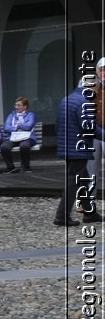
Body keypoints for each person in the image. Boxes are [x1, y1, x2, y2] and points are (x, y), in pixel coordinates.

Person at [55, 63, 100, 227]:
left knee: (82, 179)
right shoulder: (84, 102)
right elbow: (90, 128)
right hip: (78, 149)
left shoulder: (66, 100)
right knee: (73, 182)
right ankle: (61, 216)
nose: (96, 93)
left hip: (67, 147)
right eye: (96, 89)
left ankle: (90, 213)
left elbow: (58, 124)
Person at [0, 97, 37, 173]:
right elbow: (6, 128)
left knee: (24, 146)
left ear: (25, 106)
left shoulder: (30, 115)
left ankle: (26, 167)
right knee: (4, 147)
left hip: (27, 137)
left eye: (19, 105)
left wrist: (16, 126)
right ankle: (10, 167)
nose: (16, 107)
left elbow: (29, 126)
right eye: (16, 105)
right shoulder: (11, 116)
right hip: (13, 137)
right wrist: (19, 127)